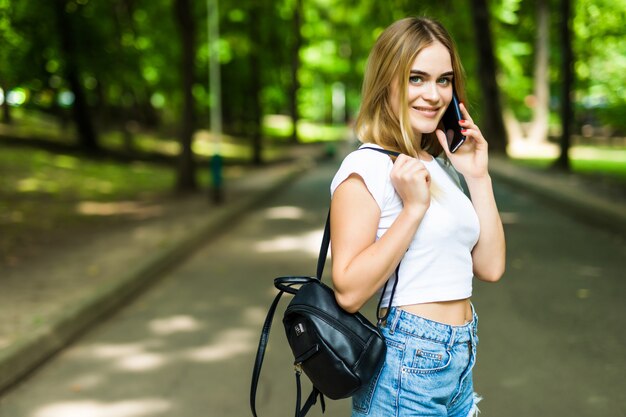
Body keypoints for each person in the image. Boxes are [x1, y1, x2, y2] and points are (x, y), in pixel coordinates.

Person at [329, 17, 506, 417]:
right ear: (386, 82)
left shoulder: (436, 165)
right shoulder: (366, 168)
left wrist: (478, 176)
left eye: (444, 80)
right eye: (416, 78)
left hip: (459, 358)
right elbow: (349, 291)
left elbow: (491, 267)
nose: (433, 94)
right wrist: (413, 209)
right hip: (406, 365)